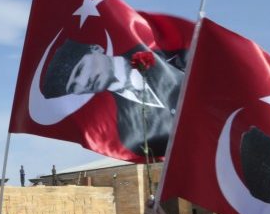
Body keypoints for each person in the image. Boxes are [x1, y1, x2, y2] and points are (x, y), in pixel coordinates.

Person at [38, 38, 181, 159]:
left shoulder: (165, 53)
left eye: (80, 70)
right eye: (73, 86)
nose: (83, 82)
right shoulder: (129, 132)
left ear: (96, 48)